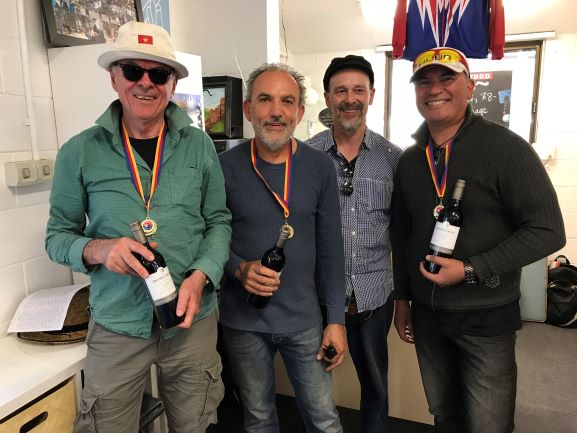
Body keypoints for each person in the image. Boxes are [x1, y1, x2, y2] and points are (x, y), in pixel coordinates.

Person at [45, 21, 231, 433]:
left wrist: (201, 275)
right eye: (133, 71)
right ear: (114, 77)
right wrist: (99, 249)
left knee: (196, 425)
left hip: (191, 321)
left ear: (172, 84)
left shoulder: (200, 146)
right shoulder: (79, 152)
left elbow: (219, 222)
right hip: (118, 323)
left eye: (159, 74)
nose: (146, 83)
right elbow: (57, 237)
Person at [391, 46, 566, 433]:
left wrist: (471, 269)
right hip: (427, 316)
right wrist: (402, 300)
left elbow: (548, 230)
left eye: (447, 78)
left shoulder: (507, 148)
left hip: (486, 317)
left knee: (489, 424)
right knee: (444, 415)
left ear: (470, 87)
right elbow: (402, 236)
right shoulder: (410, 159)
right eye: (424, 81)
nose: (435, 88)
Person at [218, 63, 347, 433]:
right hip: (242, 321)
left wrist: (335, 320)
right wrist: (238, 268)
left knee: (324, 419)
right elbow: (210, 236)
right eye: (265, 99)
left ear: (299, 113)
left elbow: (331, 249)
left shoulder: (320, 167)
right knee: (258, 418)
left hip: (304, 320)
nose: (276, 111)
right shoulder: (222, 166)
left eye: (287, 101)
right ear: (248, 110)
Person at [306, 54, 402, 433]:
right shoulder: (304, 156)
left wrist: (405, 297)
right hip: (316, 296)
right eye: (341, 91)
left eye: (358, 90)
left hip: (374, 296)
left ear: (371, 95)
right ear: (328, 98)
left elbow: (402, 232)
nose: (350, 99)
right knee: (314, 389)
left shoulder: (393, 159)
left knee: (376, 388)